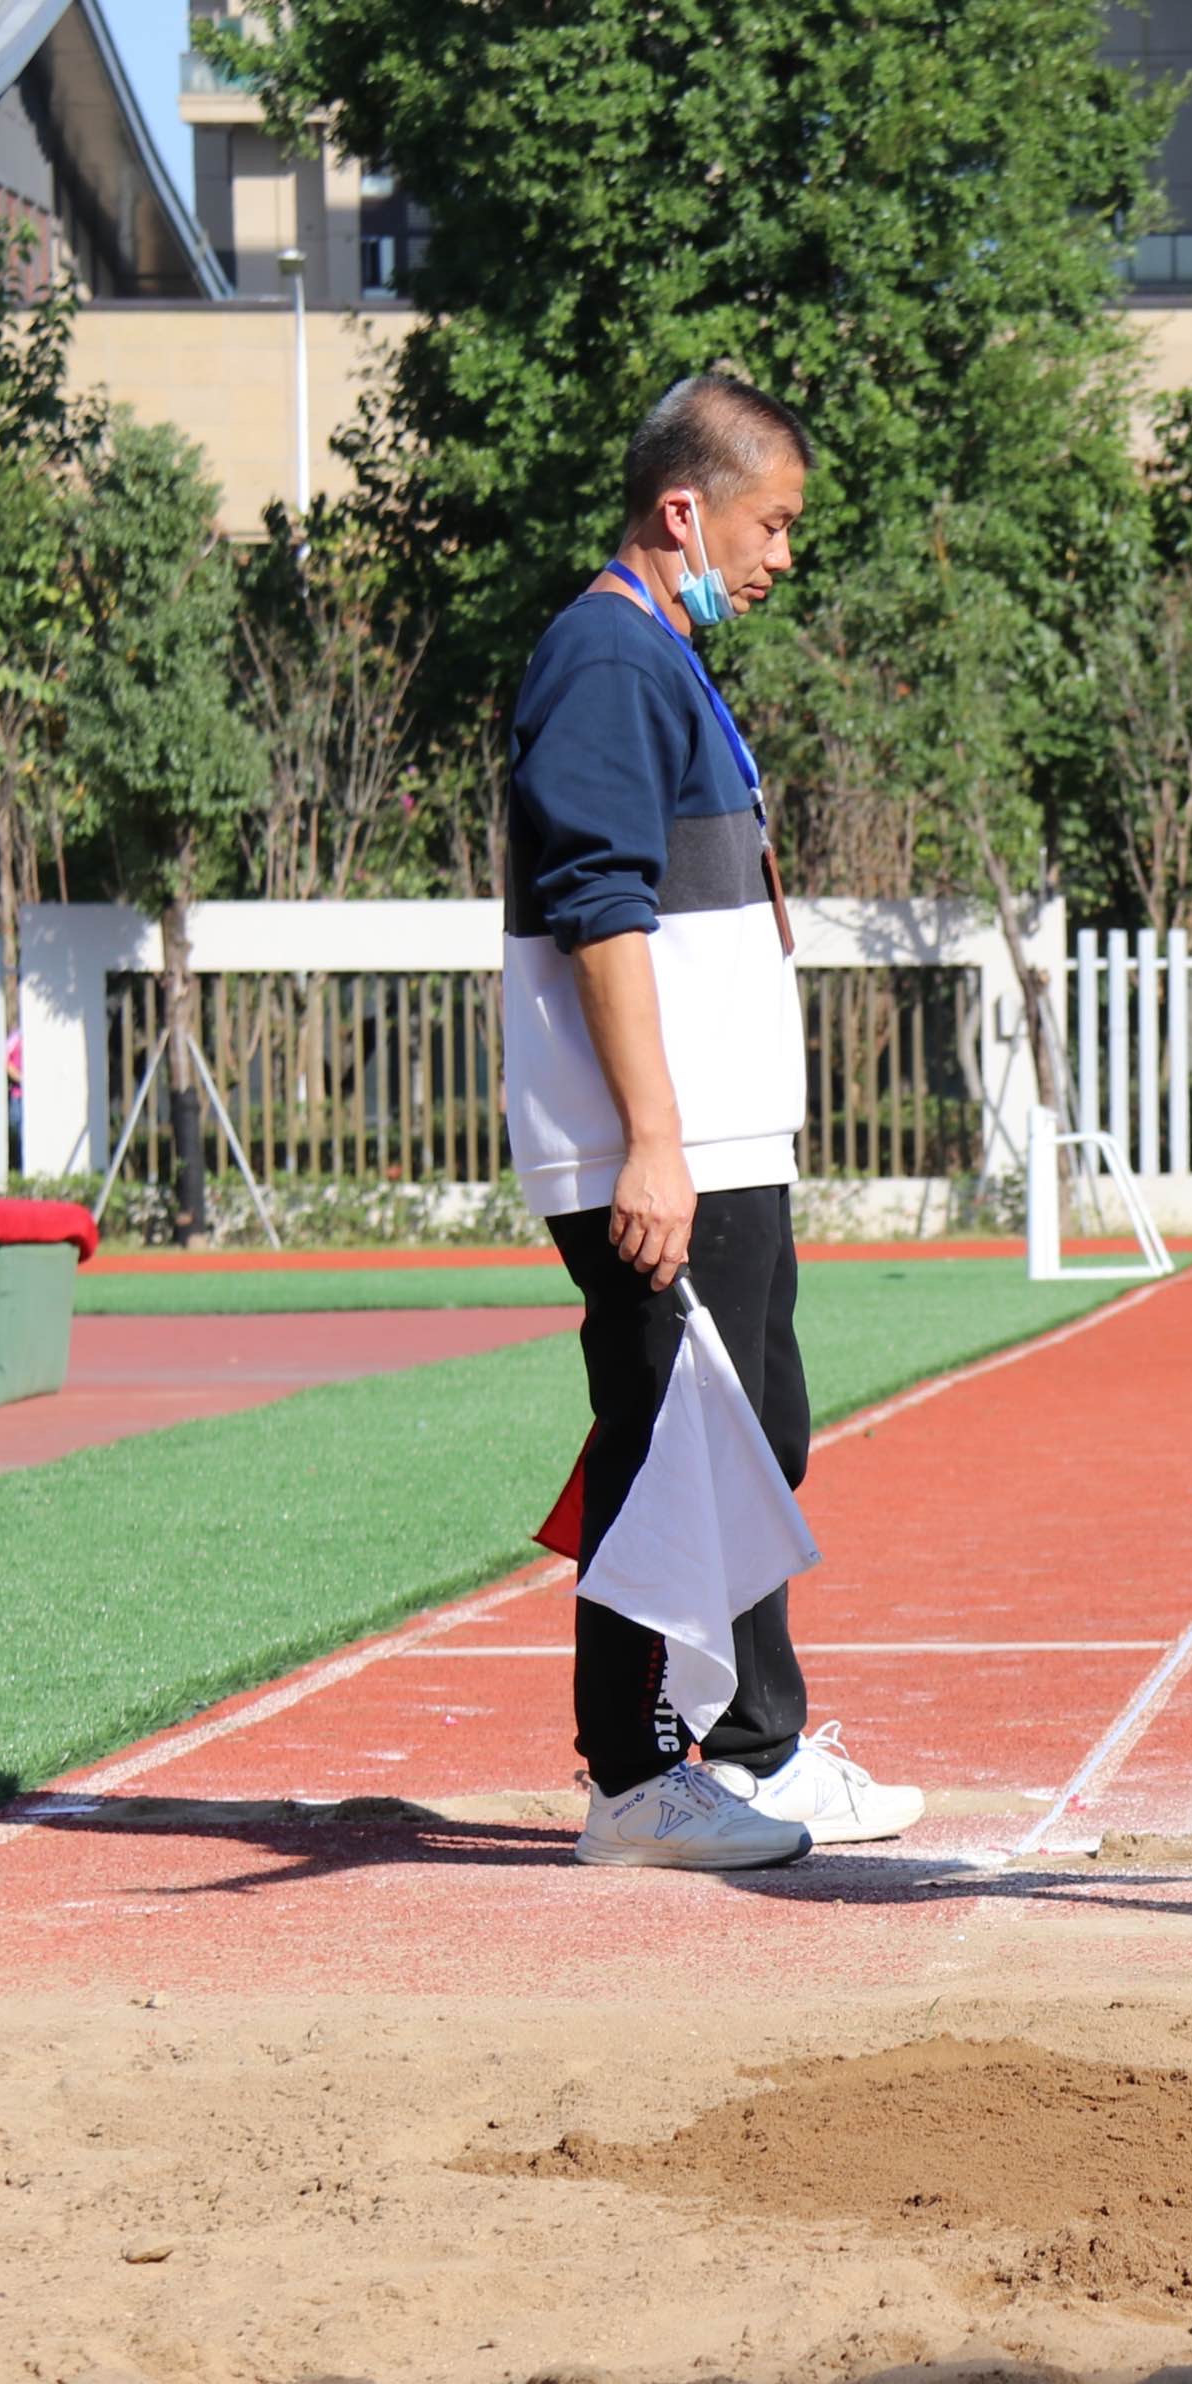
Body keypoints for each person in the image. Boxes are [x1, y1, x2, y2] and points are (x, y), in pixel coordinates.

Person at [503, 373, 922, 1872]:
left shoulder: (660, 653)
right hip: (667, 1143)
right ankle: (632, 1774)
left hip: (728, 1137)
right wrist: (653, 1140)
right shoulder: (605, 654)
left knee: (752, 1433)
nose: (784, 555)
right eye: (773, 521)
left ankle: (754, 1746)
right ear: (685, 508)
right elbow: (600, 911)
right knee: (669, 1441)